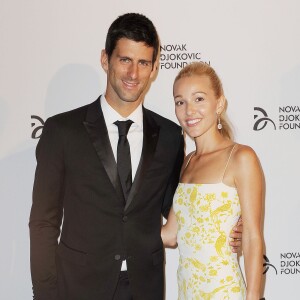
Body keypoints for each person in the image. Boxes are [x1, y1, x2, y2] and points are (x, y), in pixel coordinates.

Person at [29, 13, 242, 300]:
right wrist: (45, 294)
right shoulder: (62, 131)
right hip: (78, 287)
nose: (134, 74)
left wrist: (227, 226)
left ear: (154, 68)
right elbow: (43, 222)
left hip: (145, 287)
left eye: (143, 63)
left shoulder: (169, 136)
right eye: (125, 60)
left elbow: (179, 209)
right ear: (106, 59)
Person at [161, 62, 264, 299]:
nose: (189, 110)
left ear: (219, 103)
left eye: (199, 99)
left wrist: (254, 296)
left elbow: (251, 237)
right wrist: (118, 227)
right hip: (187, 292)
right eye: (180, 102)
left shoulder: (240, 157)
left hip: (224, 292)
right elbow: (170, 234)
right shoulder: (187, 162)